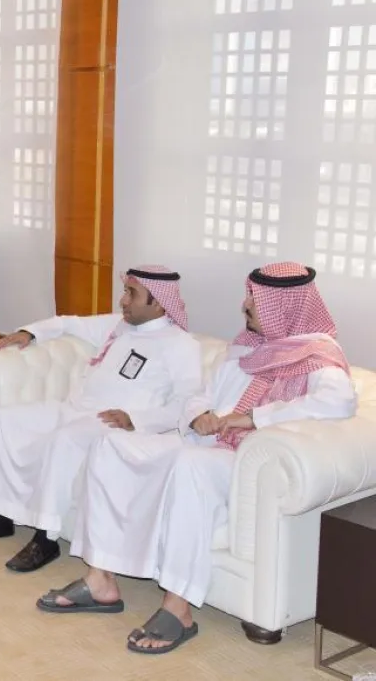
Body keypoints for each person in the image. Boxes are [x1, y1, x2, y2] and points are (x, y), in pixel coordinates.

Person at [40, 262, 356, 655]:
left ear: (285, 307)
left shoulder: (318, 355)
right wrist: (199, 414)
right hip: (202, 441)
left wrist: (251, 418)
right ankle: (100, 579)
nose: (245, 305)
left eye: (255, 299)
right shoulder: (247, 346)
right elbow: (203, 393)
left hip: (242, 459)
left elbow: (339, 401)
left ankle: (179, 607)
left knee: (190, 466)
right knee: (111, 445)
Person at [0, 267, 203, 574]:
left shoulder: (181, 345)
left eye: (132, 294)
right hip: (76, 408)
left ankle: (46, 539)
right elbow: (69, 323)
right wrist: (31, 332)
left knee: (64, 440)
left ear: (159, 302)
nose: (123, 300)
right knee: (4, 420)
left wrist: (136, 418)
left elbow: (188, 403)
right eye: (125, 291)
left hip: (117, 426)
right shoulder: (119, 325)